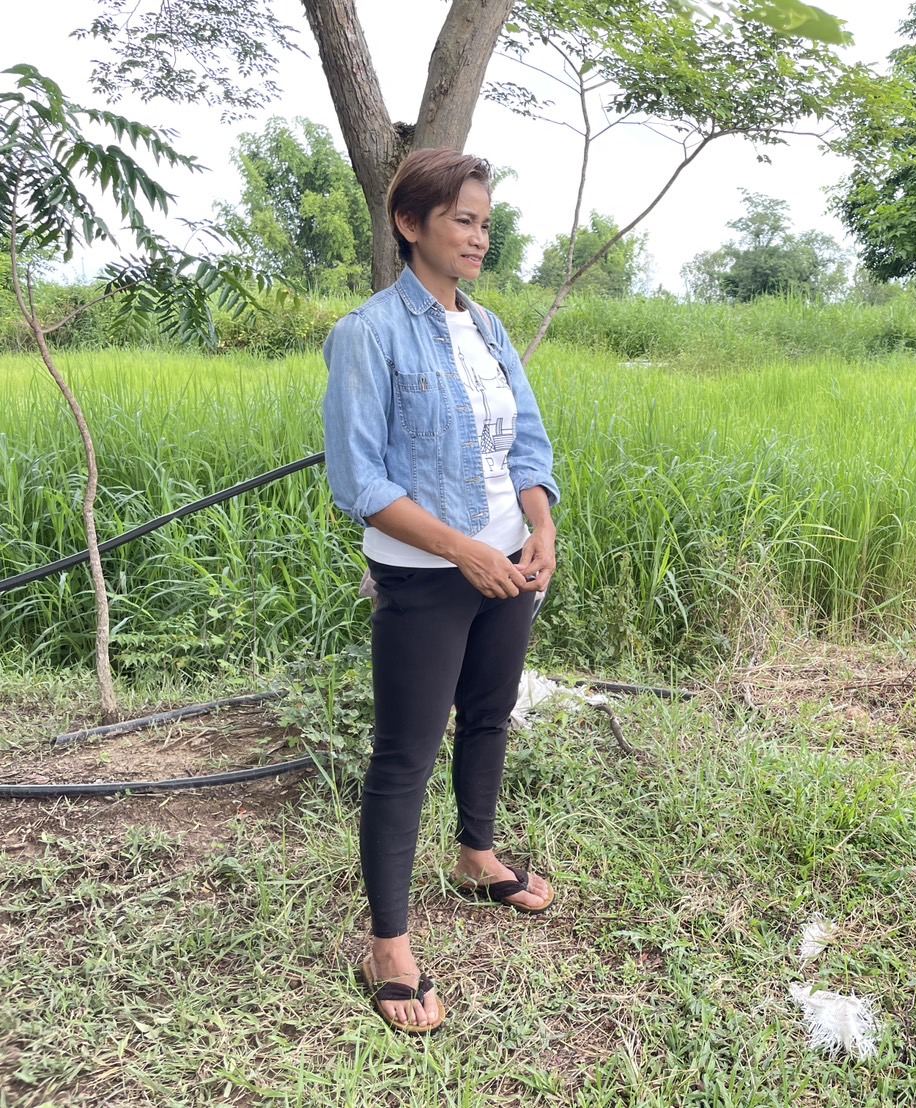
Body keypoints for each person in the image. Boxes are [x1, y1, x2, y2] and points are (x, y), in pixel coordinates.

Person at [322, 148, 560, 1032]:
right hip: (429, 575)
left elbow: (525, 445)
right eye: (462, 219)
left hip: (509, 564)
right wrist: (464, 551)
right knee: (403, 755)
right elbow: (360, 481)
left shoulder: (489, 328)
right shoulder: (369, 333)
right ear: (409, 224)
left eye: (485, 222)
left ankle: (475, 855)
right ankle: (389, 944)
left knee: (490, 718)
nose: (478, 236)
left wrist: (539, 530)